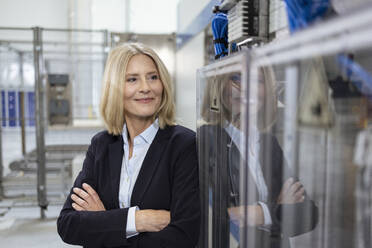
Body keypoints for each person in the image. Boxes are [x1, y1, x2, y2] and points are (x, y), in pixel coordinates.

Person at [57, 43, 200, 248]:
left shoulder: (182, 145)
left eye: (153, 77)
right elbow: (68, 224)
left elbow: (182, 237)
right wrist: (138, 220)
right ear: (114, 88)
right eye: (132, 79)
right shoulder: (102, 145)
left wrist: (105, 221)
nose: (146, 87)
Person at [198, 67, 318, 248]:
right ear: (218, 86)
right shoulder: (205, 141)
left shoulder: (269, 143)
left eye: (257, 81)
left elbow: (309, 213)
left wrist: (259, 213)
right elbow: (218, 217)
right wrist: (275, 209)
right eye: (235, 77)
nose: (245, 88)